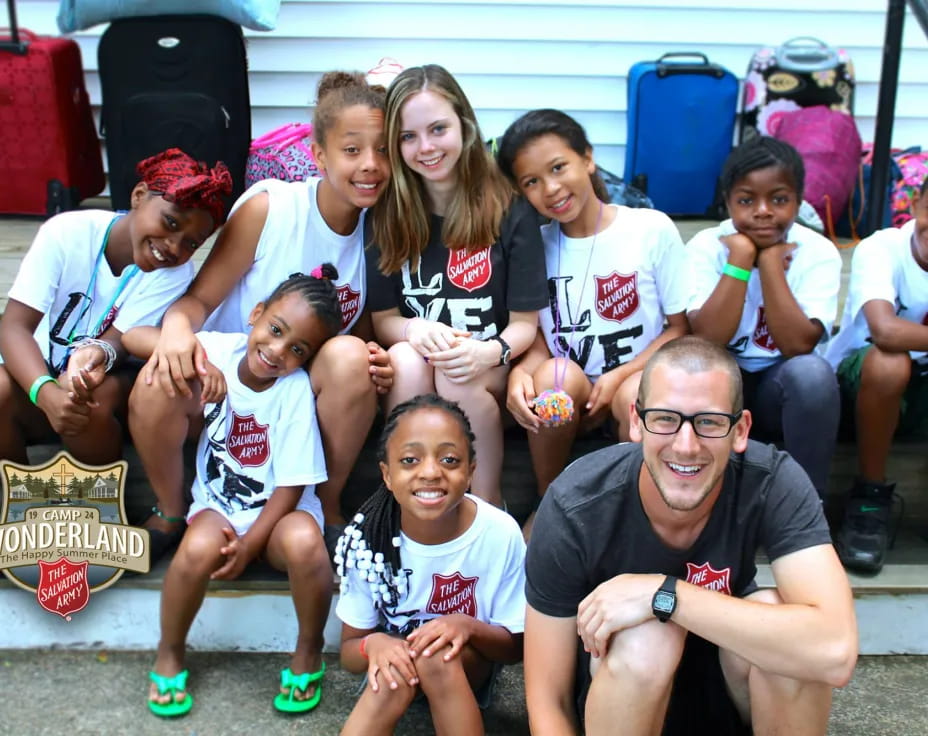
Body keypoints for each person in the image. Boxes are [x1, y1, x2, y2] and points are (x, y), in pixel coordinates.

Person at [523, 335, 857, 735]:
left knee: (787, 631)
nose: (686, 445)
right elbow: (548, 700)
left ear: (740, 430)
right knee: (647, 638)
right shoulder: (575, 503)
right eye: (665, 418)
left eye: (709, 422)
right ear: (636, 421)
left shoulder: (772, 481)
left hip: (731, 694)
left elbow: (834, 652)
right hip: (620, 700)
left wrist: (664, 595)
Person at [128, 71, 394, 555]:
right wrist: (175, 330)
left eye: (383, 150)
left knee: (353, 357)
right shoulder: (272, 207)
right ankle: (170, 509)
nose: (370, 165)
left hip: (292, 400)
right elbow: (200, 300)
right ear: (319, 155)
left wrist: (379, 352)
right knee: (153, 380)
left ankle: (323, 505)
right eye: (352, 150)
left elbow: (360, 329)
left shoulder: (381, 231)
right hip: (225, 386)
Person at [125, 267, 341, 718]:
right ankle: (170, 650)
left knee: (305, 544)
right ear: (255, 314)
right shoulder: (220, 349)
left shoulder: (294, 390)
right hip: (220, 507)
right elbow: (133, 338)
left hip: (281, 514)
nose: (278, 351)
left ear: (307, 358)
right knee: (194, 551)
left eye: (297, 348)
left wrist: (252, 544)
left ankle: (308, 648)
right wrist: (198, 362)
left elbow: (292, 484)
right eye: (275, 330)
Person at [496, 108, 688, 538]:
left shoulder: (648, 230)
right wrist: (520, 375)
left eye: (559, 167)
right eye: (531, 182)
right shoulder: (534, 246)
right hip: (570, 397)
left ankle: (638, 510)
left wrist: (620, 374)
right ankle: (550, 501)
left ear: (588, 158)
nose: (551, 188)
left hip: (632, 385)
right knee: (554, 376)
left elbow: (680, 329)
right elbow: (544, 338)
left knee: (638, 395)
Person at [366, 64, 548, 507]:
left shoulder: (508, 210)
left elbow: (525, 323)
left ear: (464, 126)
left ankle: (486, 507)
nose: (425, 147)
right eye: (408, 137)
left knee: (457, 376)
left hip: (488, 368)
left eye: (438, 129)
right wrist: (413, 329)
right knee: (408, 360)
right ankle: (407, 502)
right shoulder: (387, 215)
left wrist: (491, 351)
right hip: (420, 368)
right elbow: (384, 319)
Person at [0, 148, 230, 467]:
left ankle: (103, 498)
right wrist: (45, 392)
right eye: (170, 222)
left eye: (192, 243)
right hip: (37, 377)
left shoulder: (175, 272)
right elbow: (13, 327)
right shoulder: (66, 233)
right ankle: (20, 497)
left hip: (109, 385)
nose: (174, 247)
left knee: (86, 393)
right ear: (138, 196)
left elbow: (119, 340)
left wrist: (95, 356)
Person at [335, 394, 526, 736]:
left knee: (435, 656)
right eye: (409, 460)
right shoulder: (367, 540)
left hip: (468, 664)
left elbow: (514, 647)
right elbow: (349, 654)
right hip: (397, 663)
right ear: (387, 475)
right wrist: (374, 644)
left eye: (450, 460)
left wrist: (467, 627)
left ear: (471, 472)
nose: (430, 472)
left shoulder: (499, 533)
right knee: (394, 669)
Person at [684, 136, 842, 500]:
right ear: (727, 202)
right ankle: (705, 503)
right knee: (693, 367)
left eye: (779, 199)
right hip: (721, 384)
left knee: (813, 374)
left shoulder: (817, 252)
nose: (763, 211)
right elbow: (707, 339)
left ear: (799, 202)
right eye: (746, 200)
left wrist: (770, 264)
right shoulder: (708, 248)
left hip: (781, 388)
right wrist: (740, 261)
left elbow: (797, 344)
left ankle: (805, 506)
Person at [824, 175, 928, 573]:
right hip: (857, 386)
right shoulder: (882, 248)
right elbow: (885, 330)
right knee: (889, 360)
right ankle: (869, 497)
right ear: (917, 204)